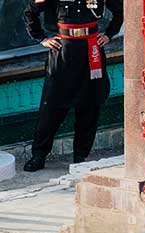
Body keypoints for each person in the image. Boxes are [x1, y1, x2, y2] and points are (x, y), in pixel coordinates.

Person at [23, 0, 124, 172]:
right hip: (63, 51)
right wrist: (41, 38)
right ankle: (39, 154)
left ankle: (81, 156)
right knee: (51, 107)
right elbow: (29, 13)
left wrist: (109, 34)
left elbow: (120, 11)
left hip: (91, 50)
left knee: (90, 105)